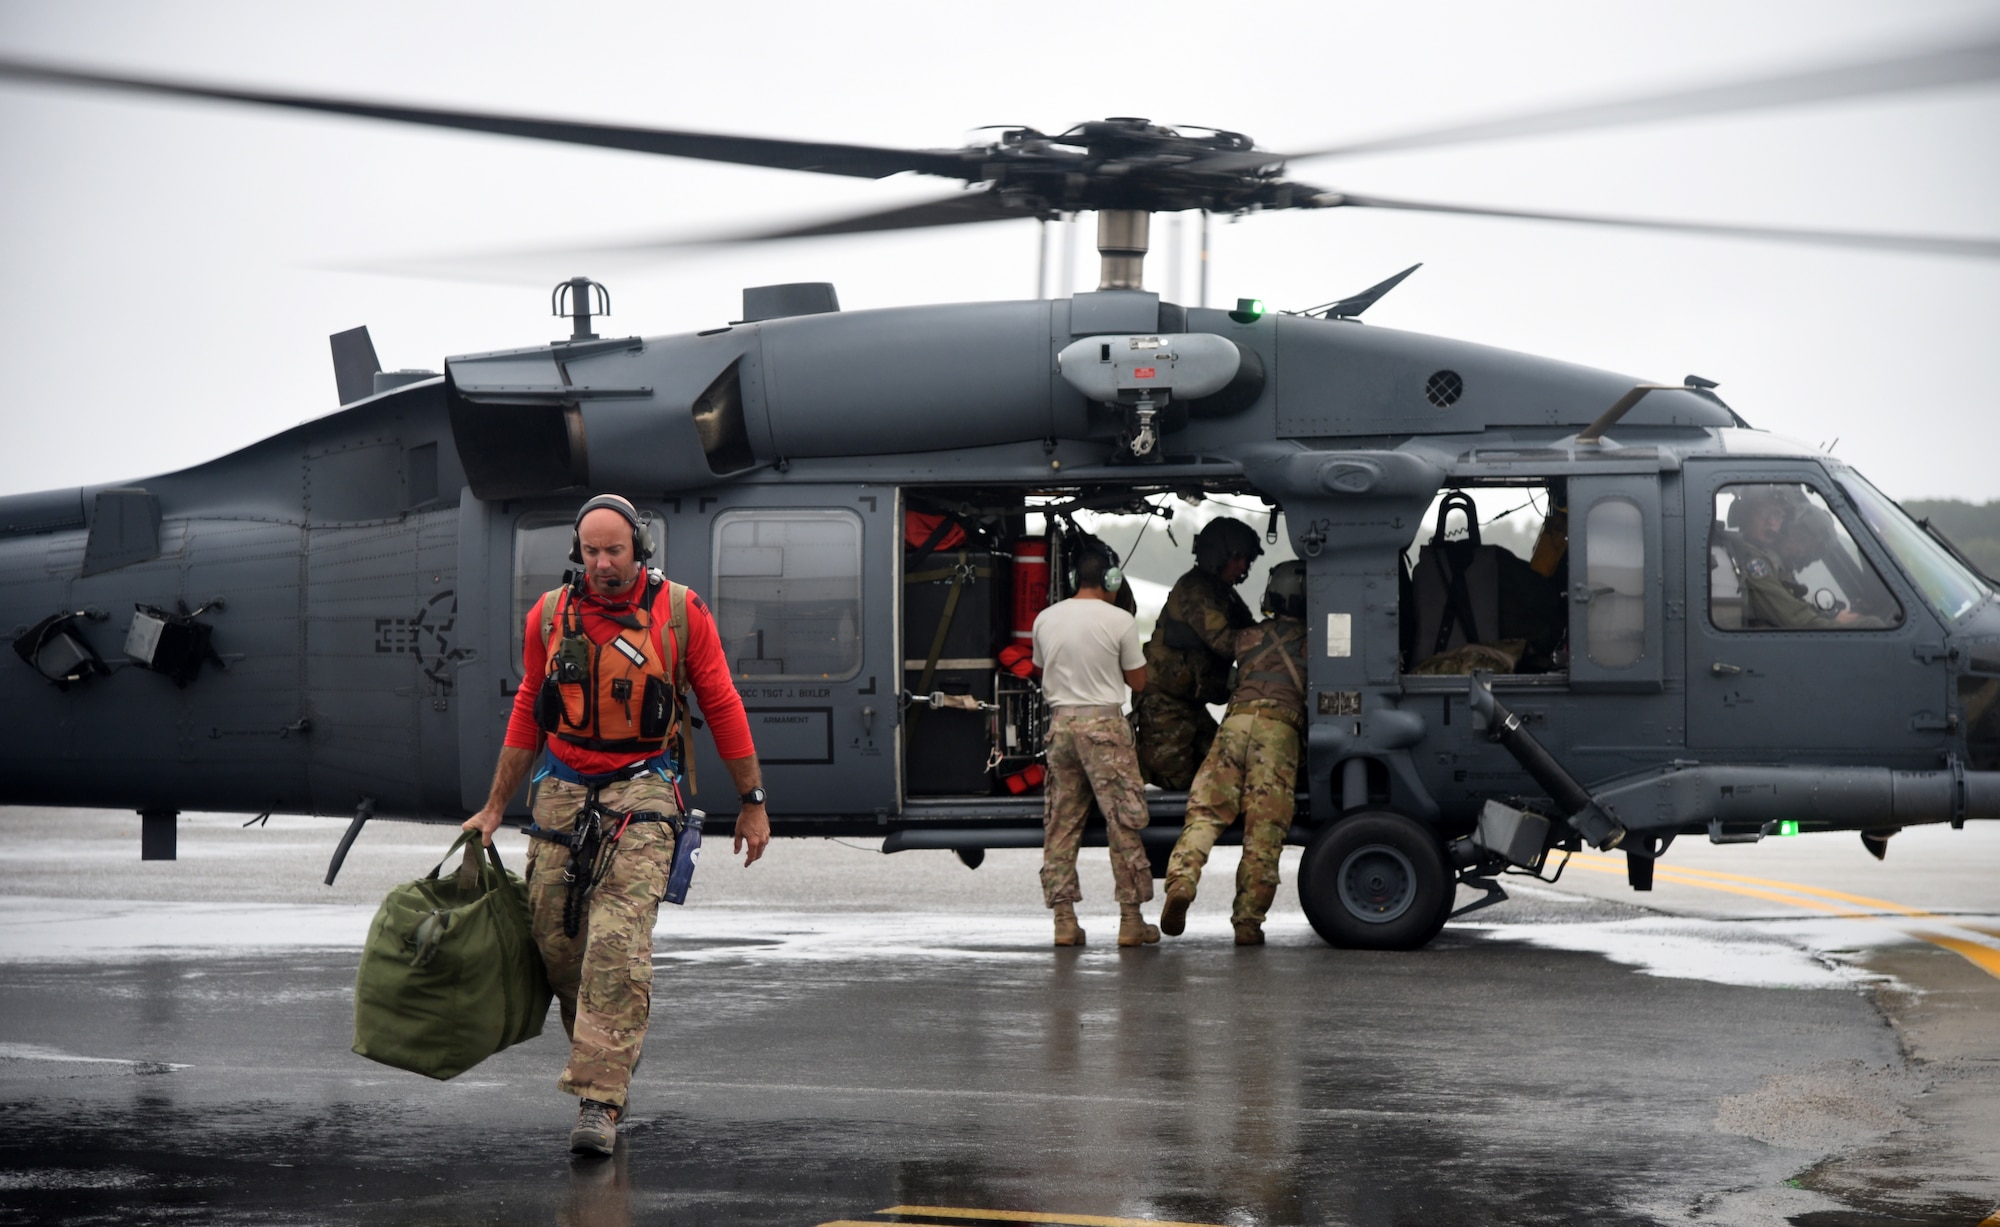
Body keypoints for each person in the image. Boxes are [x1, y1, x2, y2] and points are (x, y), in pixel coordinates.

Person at [462, 494, 769, 1157]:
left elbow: (720, 700)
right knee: (556, 942)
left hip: (646, 787)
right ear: (579, 553)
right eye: (592, 552)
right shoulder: (547, 617)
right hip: (562, 789)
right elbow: (528, 708)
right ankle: (612, 1049)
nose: (603, 563)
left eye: (615, 551)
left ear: (640, 552)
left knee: (614, 940)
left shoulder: (681, 614)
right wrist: (493, 807)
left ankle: (598, 1100)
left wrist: (753, 797)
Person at [1159, 560, 1308, 946]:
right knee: (1263, 831)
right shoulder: (1316, 644)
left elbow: (1226, 681)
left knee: (1205, 813)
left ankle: (1182, 883)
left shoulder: (1246, 638)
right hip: (1279, 732)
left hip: (1235, 724)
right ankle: (1247, 922)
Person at [1031, 541, 1158, 948]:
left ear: (1073, 579)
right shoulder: (1120, 620)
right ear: (1112, 579)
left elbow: (1038, 669)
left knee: (1062, 825)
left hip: (1062, 727)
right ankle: (1130, 920)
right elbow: (1138, 683)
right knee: (1123, 822)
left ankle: (1064, 922)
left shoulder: (1045, 619)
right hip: (1104, 726)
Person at [1134, 517, 1261, 789]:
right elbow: (1224, 641)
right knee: (1178, 786)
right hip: (1164, 706)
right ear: (1218, 555)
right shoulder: (1196, 589)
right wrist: (1268, 641)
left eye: (1246, 559)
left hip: (1189, 703)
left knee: (1222, 772)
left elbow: (1248, 630)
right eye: (1237, 558)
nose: (1243, 566)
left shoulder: (1222, 593)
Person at [1730, 487, 1882, 629]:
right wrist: (1834, 622)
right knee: (1872, 625)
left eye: (1777, 514)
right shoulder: (1754, 562)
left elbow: (1793, 607)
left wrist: (1829, 616)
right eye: (1764, 514)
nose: (1772, 523)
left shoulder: (1770, 561)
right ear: (1747, 516)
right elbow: (1795, 619)